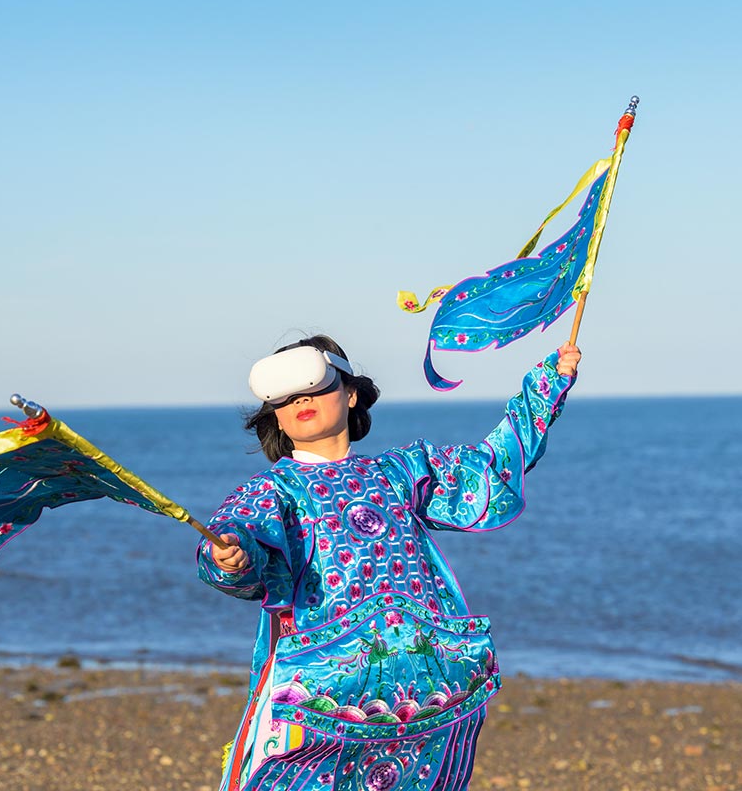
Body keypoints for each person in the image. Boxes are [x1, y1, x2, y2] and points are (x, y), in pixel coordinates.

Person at [198, 334, 581, 791]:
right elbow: (239, 534)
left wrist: (548, 384)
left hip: (428, 694)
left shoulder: (400, 472)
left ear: (350, 392)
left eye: (314, 387)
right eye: (282, 397)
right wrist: (230, 553)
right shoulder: (272, 491)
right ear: (275, 415)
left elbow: (490, 466)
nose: (300, 400)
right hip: (320, 695)